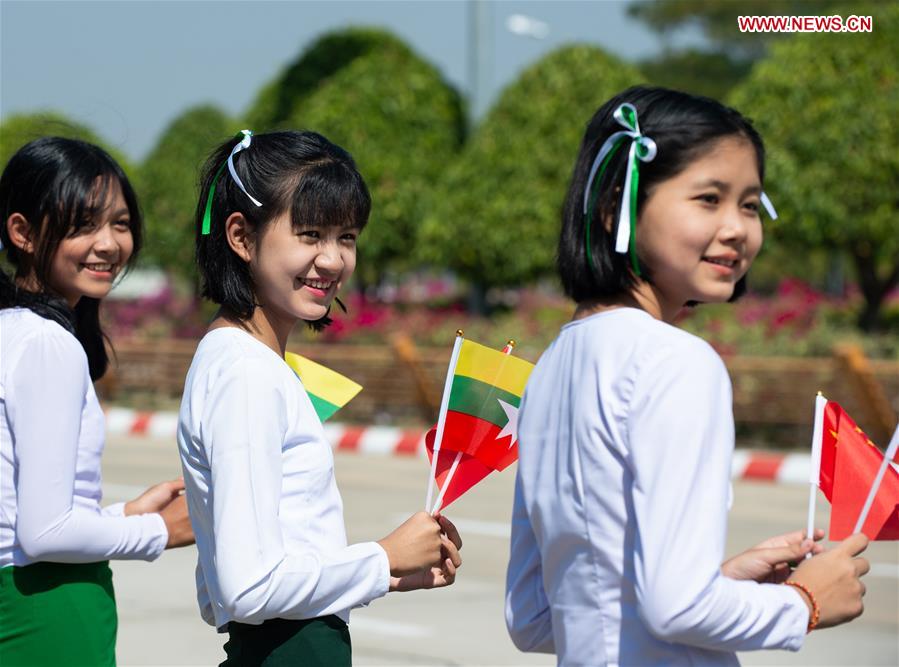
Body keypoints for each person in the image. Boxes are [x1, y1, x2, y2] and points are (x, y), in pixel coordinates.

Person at [504, 86, 870, 666]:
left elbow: (533, 616)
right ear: (614, 207)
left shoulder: (549, 368)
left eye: (750, 205)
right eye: (708, 198)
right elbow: (676, 608)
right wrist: (805, 601)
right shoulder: (677, 362)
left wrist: (721, 581)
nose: (737, 229)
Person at [177, 129, 462, 666]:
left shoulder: (240, 359)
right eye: (309, 234)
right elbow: (246, 590)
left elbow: (223, 582)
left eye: (347, 237)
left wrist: (392, 573)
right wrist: (382, 559)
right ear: (240, 236)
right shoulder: (246, 373)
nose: (332, 259)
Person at [0, 137, 194, 666]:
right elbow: (43, 534)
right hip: (45, 607)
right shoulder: (46, 344)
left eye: (121, 224)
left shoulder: (13, 331)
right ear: (22, 231)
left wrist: (121, 512)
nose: (108, 244)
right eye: (84, 224)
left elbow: (22, 511)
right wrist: (160, 530)